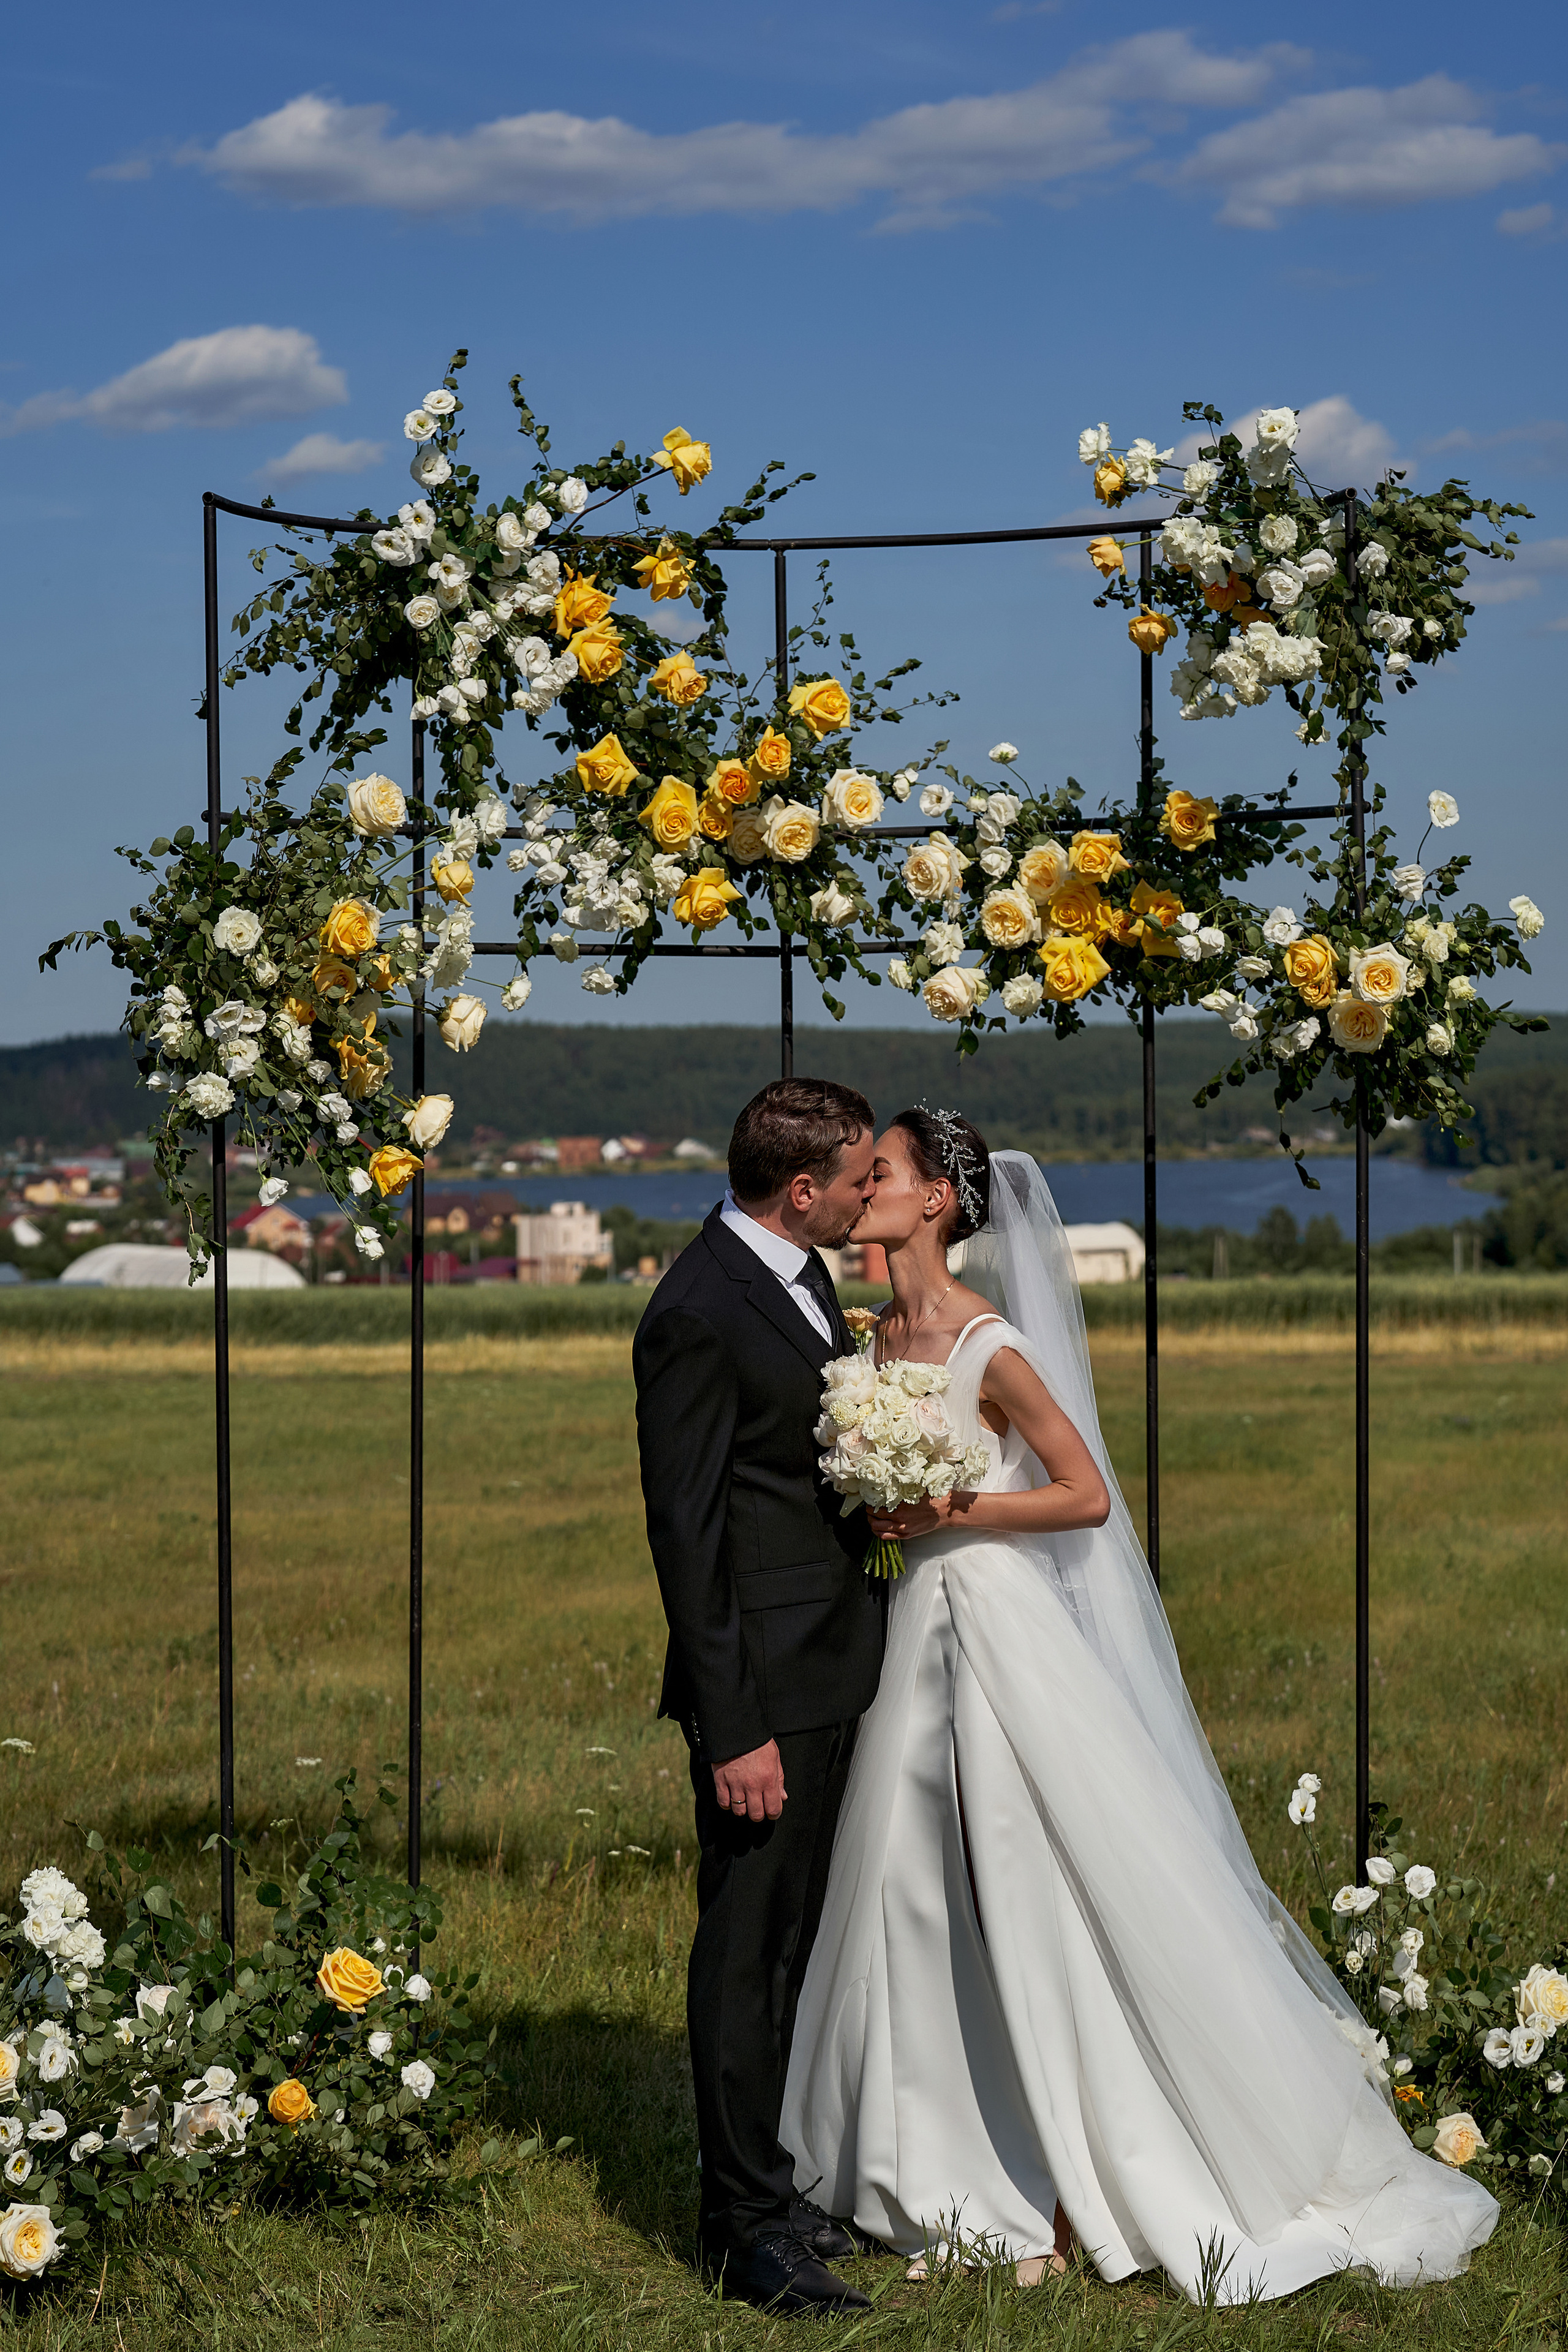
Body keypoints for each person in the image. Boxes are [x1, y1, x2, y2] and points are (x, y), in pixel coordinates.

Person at [782, 1108, 1499, 2304]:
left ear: (937, 1205)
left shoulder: (984, 1343)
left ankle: (1067, 2184)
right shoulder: (868, 1338)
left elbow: (1083, 1496)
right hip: (910, 1630)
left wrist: (956, 1509)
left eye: (884, 1174)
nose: (861, 1190)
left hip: (995, 1630)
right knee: (909, 1889)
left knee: (1028, 1891)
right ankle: (928, 2162)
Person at [633, 1078, 888, 2315]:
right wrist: (732, 1728)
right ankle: (741, 2232)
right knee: (741, 1952)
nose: (864, 1197)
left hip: (828, 1664)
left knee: (787, 1945)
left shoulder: (798, 1279)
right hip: (760, 1693)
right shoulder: (697, 1310)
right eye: (853, 1182)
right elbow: (687, 1538)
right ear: (801, 1190)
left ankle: (774, 2184)